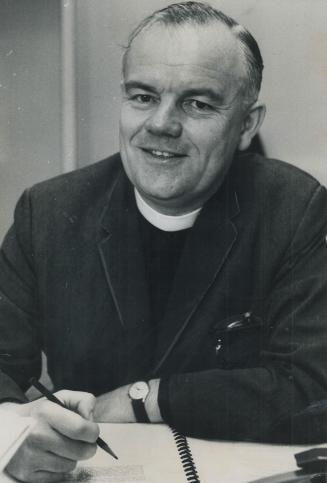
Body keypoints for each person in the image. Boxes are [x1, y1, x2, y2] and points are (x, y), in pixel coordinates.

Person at [1, 1, 326, 481]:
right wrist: (14, 435)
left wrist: (144, 399)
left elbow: (313, 386)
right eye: (143, 97)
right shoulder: (47, 211)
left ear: (247, 124)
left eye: (198, 103)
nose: (161, 124)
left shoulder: (296, 208)